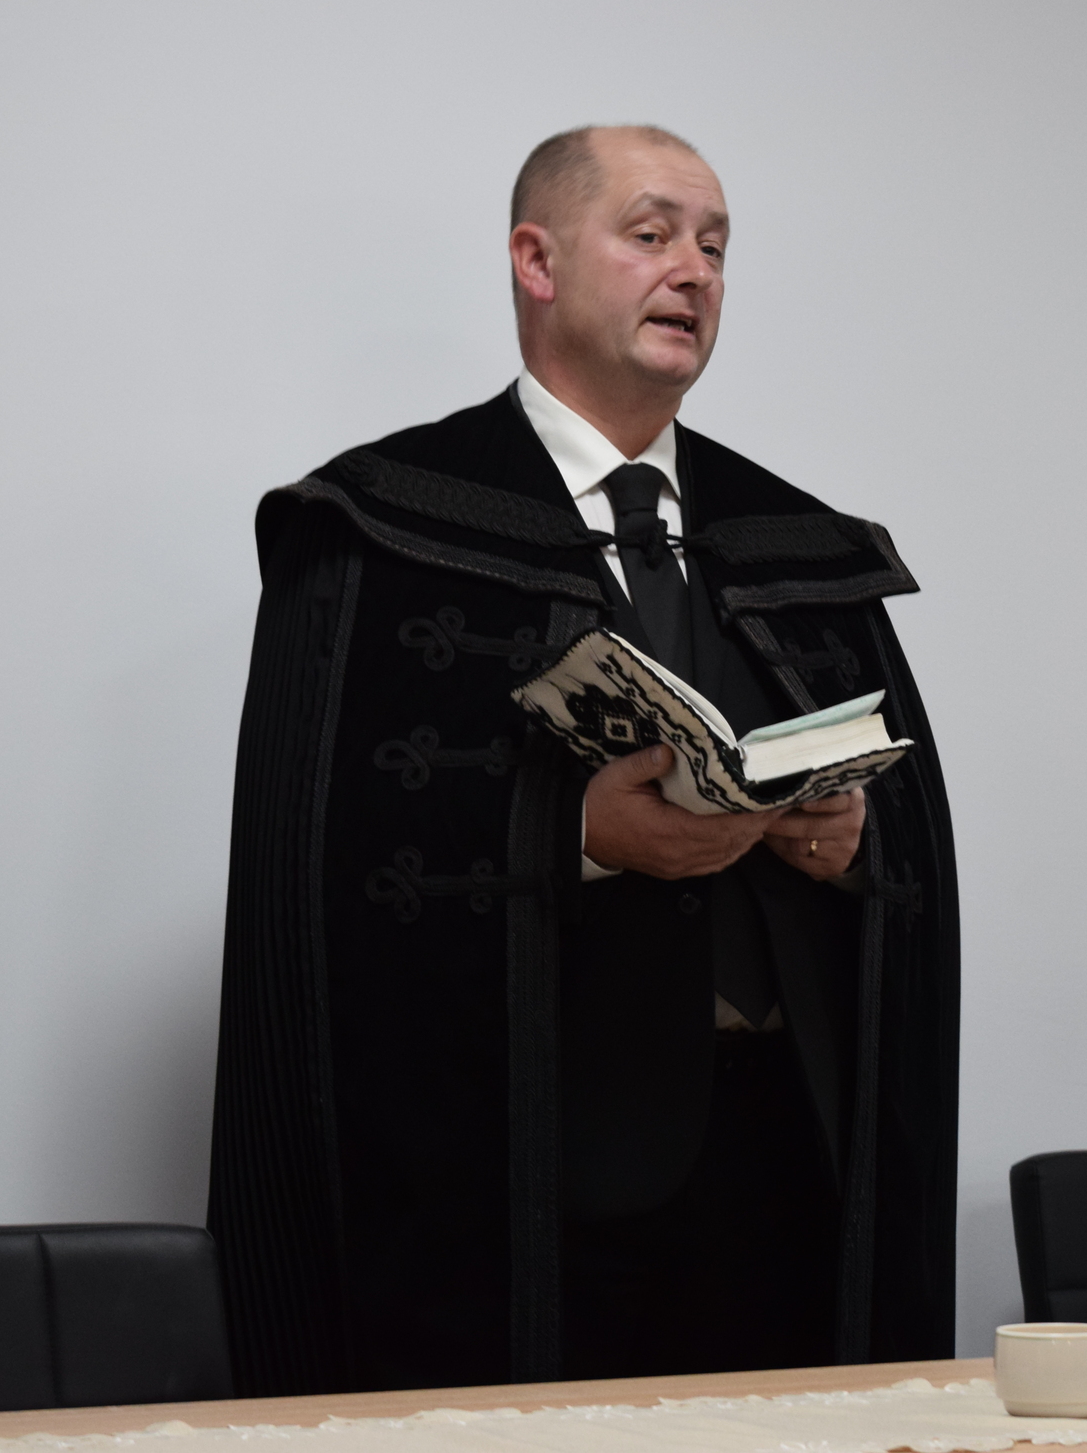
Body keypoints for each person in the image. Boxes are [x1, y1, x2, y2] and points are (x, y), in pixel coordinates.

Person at [207, 125, 958, 1396]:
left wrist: (848, 845)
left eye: (714, 247)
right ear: (536, 261)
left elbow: (905, 833)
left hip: (786, 1156)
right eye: (653, 234)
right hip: (520, 1175)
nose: (695, 272)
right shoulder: (381, 527)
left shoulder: (795, 542)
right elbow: (320, 856)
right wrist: (576, 836)